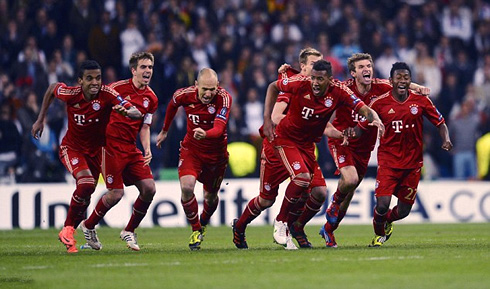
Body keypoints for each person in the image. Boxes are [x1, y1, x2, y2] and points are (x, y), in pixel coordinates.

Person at [260, 59, 384, 249]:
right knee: (300, 179)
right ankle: (281, 222)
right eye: (314, 78)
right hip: (285, 138)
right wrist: (267, 120)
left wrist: (374, 119)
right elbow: (272, 87)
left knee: (319, 191)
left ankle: (299, 226)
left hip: (308, 144)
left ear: (330, 79)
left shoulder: (339, 91)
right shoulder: (301, 84)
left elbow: (364, 108)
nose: (315, 83)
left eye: (320, 79)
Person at [232, 47, 348, 250]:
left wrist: (341, 133)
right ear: (303, 66)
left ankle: (295, 227)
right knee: (266, 200)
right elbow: (277, 117)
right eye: (313, 64)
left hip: (303, 146)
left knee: (319, 192)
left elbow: (319, 123)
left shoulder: (320, 91)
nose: (317, 70)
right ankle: (240, 226)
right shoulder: (293, 86)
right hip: (278, 146)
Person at [31, 60, 141, 253]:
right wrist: (41, 119)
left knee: (86, 195)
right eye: (89, 78)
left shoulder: (108, 94)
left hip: (96, 152)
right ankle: (67, 230)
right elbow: (51, 88)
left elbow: (134, 110)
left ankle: (73, 233)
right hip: (72, 148)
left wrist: (128, 111)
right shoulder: (71, 94)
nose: (95, 82)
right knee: (87, 183)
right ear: (80, 81)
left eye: (98, 78)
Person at [320, 53, 430, 248]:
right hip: (343, 142)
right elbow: (325, 110)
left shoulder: (380, 87)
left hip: (364, 149)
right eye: (361, 67)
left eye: (369, 66)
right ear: (353, 73)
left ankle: (329, 229)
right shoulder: (343, 89)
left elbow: (400, 83)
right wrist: (337, 133)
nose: (367, 69)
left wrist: (418, 87)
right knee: (351, 179)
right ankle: (334, 205)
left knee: (350, 190)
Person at [361, 62, 452, 246]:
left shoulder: (421, 101)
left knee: (403, 211)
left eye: (406, 78)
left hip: (413, 164)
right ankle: (379, 234)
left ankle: (387, 221)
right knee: (382, 205)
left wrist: (446, 139)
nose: (402, 81)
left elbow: (440, 122)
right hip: (388, 162)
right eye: (398, 78)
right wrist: (349, 134)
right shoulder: (379, 103)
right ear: (391, 81)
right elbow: (362, 125)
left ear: (410, 81)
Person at [81, 52, 158, 252]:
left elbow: (145, 126)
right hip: (109, 146)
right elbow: (94, 108)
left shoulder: (152, 98)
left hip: (131, 148)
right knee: (116, 194)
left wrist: (147, 148)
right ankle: (88, 225)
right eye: (143, 67)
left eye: (150, 67)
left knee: (149, 188)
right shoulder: (114, 90)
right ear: (133, 70)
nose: (147, 71)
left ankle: (129, 230)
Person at [156, 68, 232, 251]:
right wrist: (165, 130)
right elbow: (172, 105)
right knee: (187, 187)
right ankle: (196, 229)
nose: (208, 93)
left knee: (211, 198)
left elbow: (219, 129)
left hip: (216, 155)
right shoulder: (184, 95)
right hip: (192, 150)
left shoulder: (224, 98)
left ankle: (203, 223)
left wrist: (205, 134)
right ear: (196, 85)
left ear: (218, 86)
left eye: (212, 89)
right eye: (204, 89)